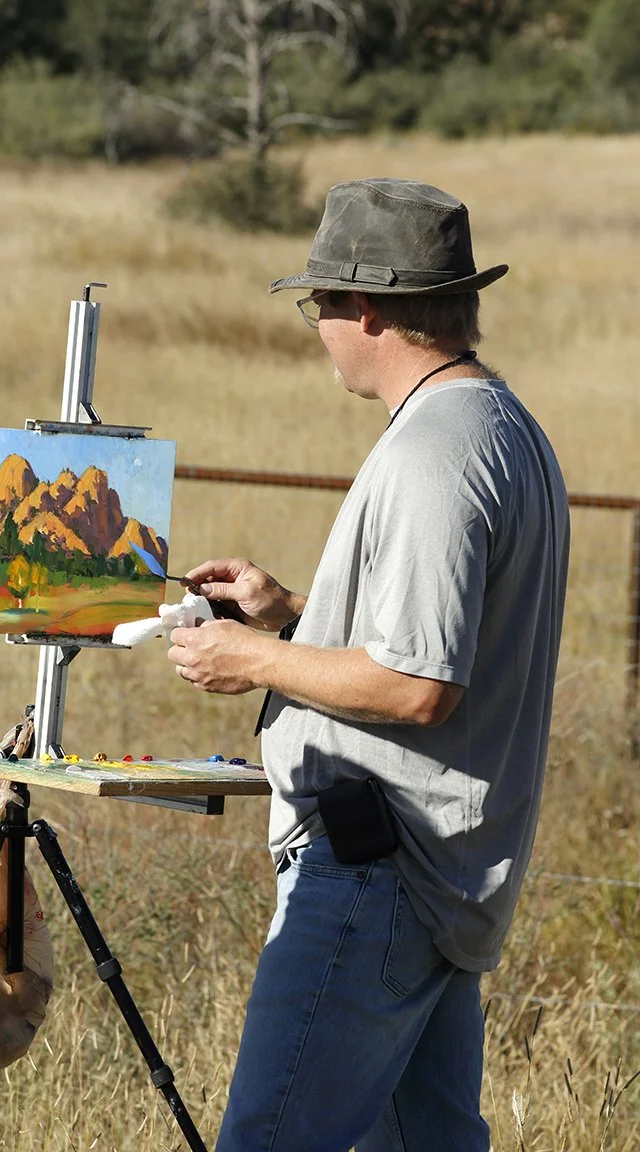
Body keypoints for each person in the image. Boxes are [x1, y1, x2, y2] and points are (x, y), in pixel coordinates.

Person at [167, 178, 570, 1152]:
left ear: (371, 308)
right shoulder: (499, 426)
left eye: (321, 305)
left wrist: (251, 656)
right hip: (428, 877)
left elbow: (420, 686)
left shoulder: (436, 454)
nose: (319, 329)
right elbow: (440, 642)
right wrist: (293, 615)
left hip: (376, 874)